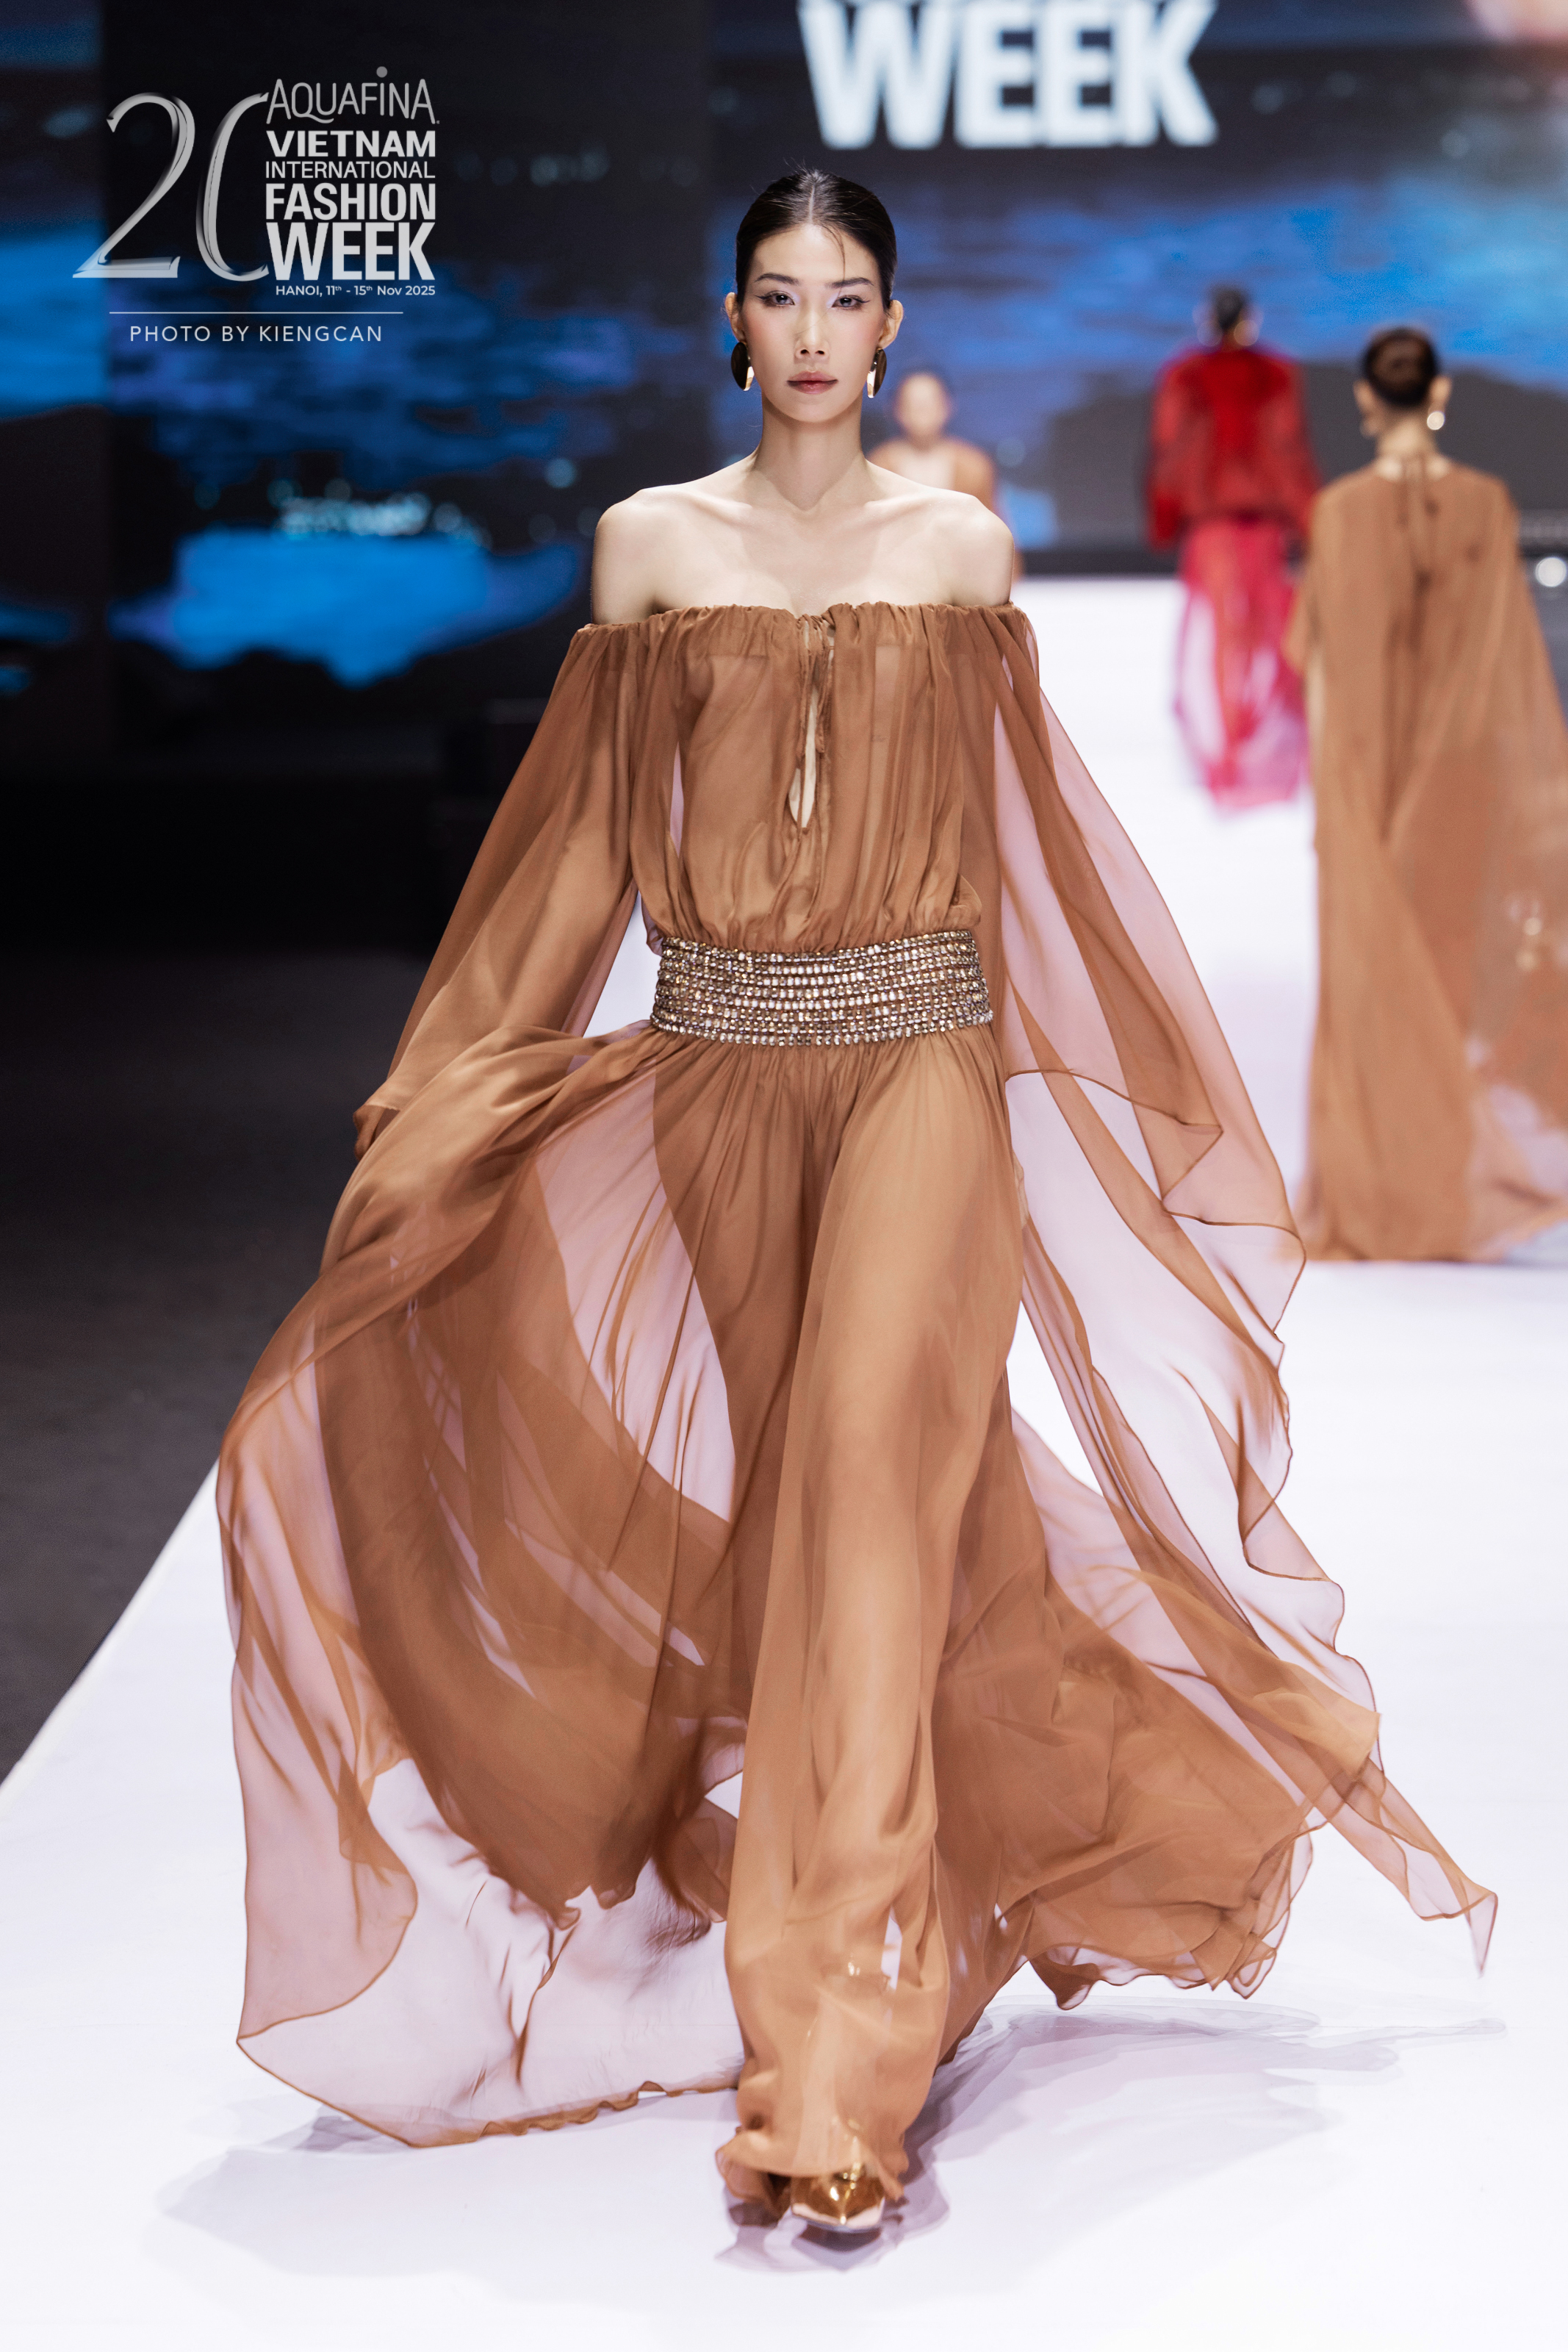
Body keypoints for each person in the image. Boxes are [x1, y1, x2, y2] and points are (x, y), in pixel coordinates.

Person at [219, 176, 1491, 2240]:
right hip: (720, 1080)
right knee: (807, 1530)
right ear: (731, 320)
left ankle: (823, 2057)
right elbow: (574, 855)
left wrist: (1117, 1115)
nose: (812, 332)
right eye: (778, 295)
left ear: (890, 325)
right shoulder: (649, 546)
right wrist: (454, 1077)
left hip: (918, 1078)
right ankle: (914, 1877)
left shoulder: (955, 552)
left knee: (869, 1508)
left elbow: (1027, 861)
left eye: (845, 297)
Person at [1285, 328, 1568, 1262]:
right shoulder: (1486, 504)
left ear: (1365, 399)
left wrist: (1331, 799)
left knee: (1369, 990)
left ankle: (1374, 1195)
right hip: (1459, 782)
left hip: (1366, 781)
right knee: (1445, 979)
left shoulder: (1337, 512)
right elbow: (1502, 665)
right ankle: (1435, 1190)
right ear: (1436, 393)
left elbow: (1320, 666)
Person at [1148, 287, 1318, 809]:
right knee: (1270, 631)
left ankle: (1227, 748)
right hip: (1263, 523)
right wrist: (1309, 519)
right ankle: (1257, 743)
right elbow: (1286, 447)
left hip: (1212, 526)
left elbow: (1172, 447)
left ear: (1207, 320)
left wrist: (1166, 515)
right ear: (1250, 320)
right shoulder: (1276, 373)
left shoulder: (1185, 375)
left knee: (1223, 633)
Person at [869, 368, 1003, 512]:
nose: (922, 412)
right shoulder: (879, 466)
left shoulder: (974, 466)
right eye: (912, 404)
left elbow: (994, 521)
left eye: (929, 403)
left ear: (948, 405)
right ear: (895, 408)